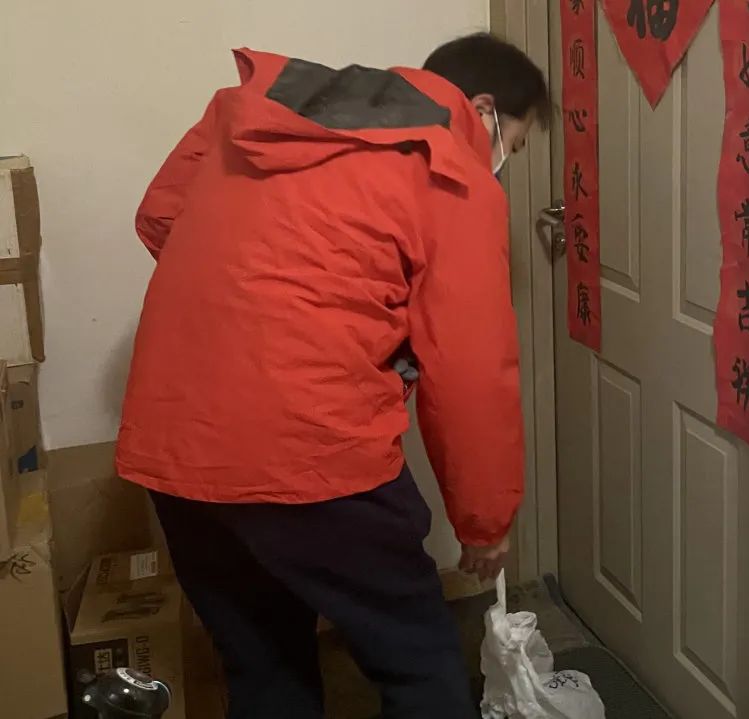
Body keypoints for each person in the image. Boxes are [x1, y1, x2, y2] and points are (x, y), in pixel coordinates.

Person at [116, 33, 550, 719]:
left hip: (175, 439)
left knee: (263, 660)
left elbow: (161, 216)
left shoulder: (252, 113)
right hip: (309, 452)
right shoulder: (451, 168)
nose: (503, 162)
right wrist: (484, 521)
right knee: (418, 658)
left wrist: (255, 305)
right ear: (484, 110)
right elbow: (470, 373)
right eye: (514, 145)